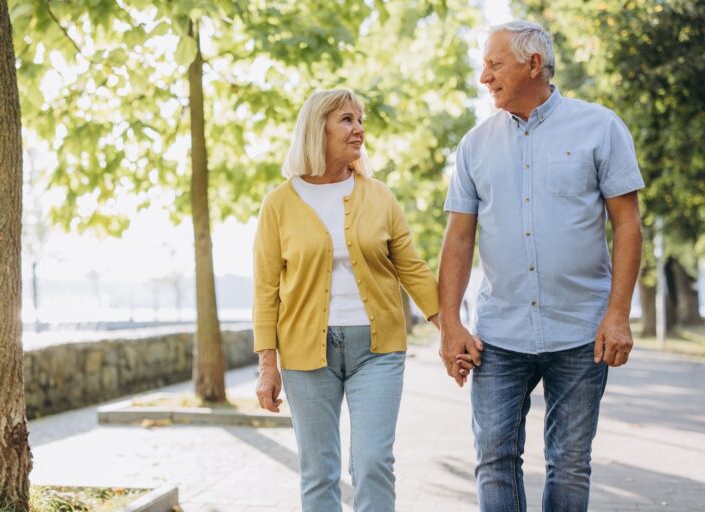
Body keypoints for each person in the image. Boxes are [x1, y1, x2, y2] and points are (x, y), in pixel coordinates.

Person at [438, 21, 644, 512]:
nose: (483, 77)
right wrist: (450, 323)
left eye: (494, 64)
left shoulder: (600, 126)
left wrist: (618, 315)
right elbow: (459, 239)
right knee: (494, 458)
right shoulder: (474, 145)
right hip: (499, 334)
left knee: (570, 461)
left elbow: (628, 225)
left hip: (581, 330)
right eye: (484, 65)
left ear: (534, 64)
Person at [253, 88, 474, 512]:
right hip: (304, 354)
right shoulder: (278, 205)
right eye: (347, 120)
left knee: (373, 462)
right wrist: (267, 364)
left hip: (377, 349)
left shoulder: (379, 196)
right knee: (318, 469)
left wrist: (449, 328)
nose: (359, 129)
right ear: (317, 129)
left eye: (360, 120)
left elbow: (412, 268)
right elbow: (265, 289)